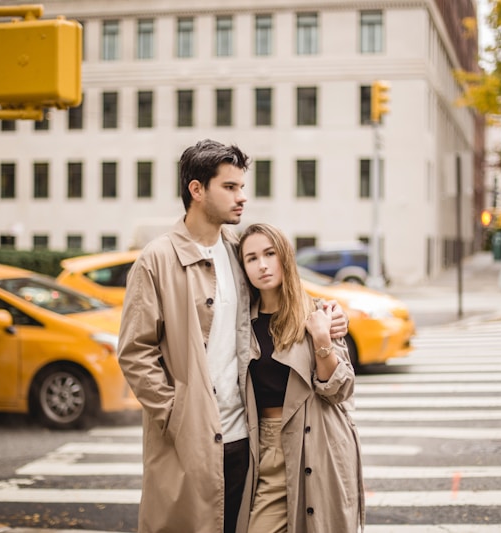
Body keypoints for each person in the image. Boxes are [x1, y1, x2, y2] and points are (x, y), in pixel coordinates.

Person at [117, 139, 348, 533]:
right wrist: (177, 416)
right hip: (188, 442)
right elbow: (135, 353)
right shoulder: (156, 260)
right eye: (230, 187)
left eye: (242, 186)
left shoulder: (239, 253)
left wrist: (327, 313)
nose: (242, 197)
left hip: (248, 439)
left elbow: (283, 294)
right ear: (197, 190)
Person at [238, 222, 365, 533]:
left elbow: (340, 390)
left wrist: (322, 341)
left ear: (285, 256)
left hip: (319, 441)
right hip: (267, 445)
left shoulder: (318, 312)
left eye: (270, 253)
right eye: (251, 258)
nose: (262, 265)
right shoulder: (241, 321)